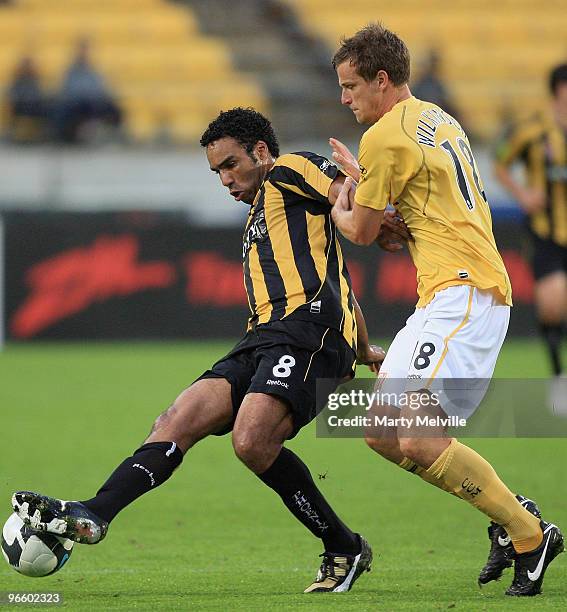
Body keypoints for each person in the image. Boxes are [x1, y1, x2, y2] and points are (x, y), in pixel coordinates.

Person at [11, 107, 410, 593]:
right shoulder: (259, 219)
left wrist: (377, 214)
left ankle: (342, 548)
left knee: (251, 439)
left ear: (260, 152)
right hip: (262, 338)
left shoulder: (290, 170)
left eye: (230, 164)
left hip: (308, 333)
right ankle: (94, 513)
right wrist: (366, 348)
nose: (224, 179)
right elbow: (339, 282)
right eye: (216, 171)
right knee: (175, 419)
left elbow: (346, 207)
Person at [328, 23, 564, 597]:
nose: (344, 98)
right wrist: (379, 202)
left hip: (466, 294)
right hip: (445, 293)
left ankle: (530, 536)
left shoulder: (384, 136)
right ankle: (513, 513)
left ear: (381, 80)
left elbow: (360, 231)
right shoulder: (438, 116)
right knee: (381, 432)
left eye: (351, 85)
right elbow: (419, 216)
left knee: (418, 436)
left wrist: (341, 199)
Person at [494, 63, 567, 411]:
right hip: (545, 233)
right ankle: (558, 377)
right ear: (558, 92)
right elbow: (499, 162)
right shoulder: (534, 131)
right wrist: (523, 195)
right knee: (553, 303)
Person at [51, 39, 122, 143]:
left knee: (113, 109)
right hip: (76, 103)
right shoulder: (71, 72)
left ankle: (112, 136)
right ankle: (64, 138)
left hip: (92, 102)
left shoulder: (94, 72)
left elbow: (100, 89)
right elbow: (68, 90)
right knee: (61, 110)